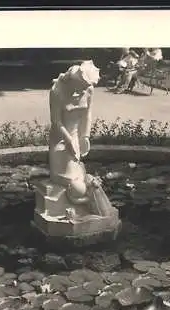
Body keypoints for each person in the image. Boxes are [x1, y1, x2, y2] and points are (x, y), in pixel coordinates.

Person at [48, 60, 116, 216]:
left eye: (88, 87)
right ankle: (85, 203)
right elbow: (56, 122)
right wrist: (68, 140)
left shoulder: (89, 90)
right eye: (83, 86)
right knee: (75, 183)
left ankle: (87, 204)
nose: (86, 90)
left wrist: (85, 136)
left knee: (80, 181)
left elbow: (87, 114)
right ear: (75, 81)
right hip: (60, 140)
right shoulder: (57, 91)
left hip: (76, 137)